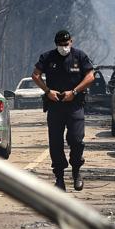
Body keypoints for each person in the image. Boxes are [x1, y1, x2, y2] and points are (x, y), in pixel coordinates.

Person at [32, 30, 95, 191]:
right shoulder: (48, 57)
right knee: (55, 142)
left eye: (66, 44)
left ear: (71, 42)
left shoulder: (79, 56)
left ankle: (76, 172)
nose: (63, 48)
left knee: (76, 139)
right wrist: (48, 91)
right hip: (55, 105)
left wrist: (74, 92)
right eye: (60, 45)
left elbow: (90, 77)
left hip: (74, 104)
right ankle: (59, 178)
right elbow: (36, 75)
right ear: (56, 44)